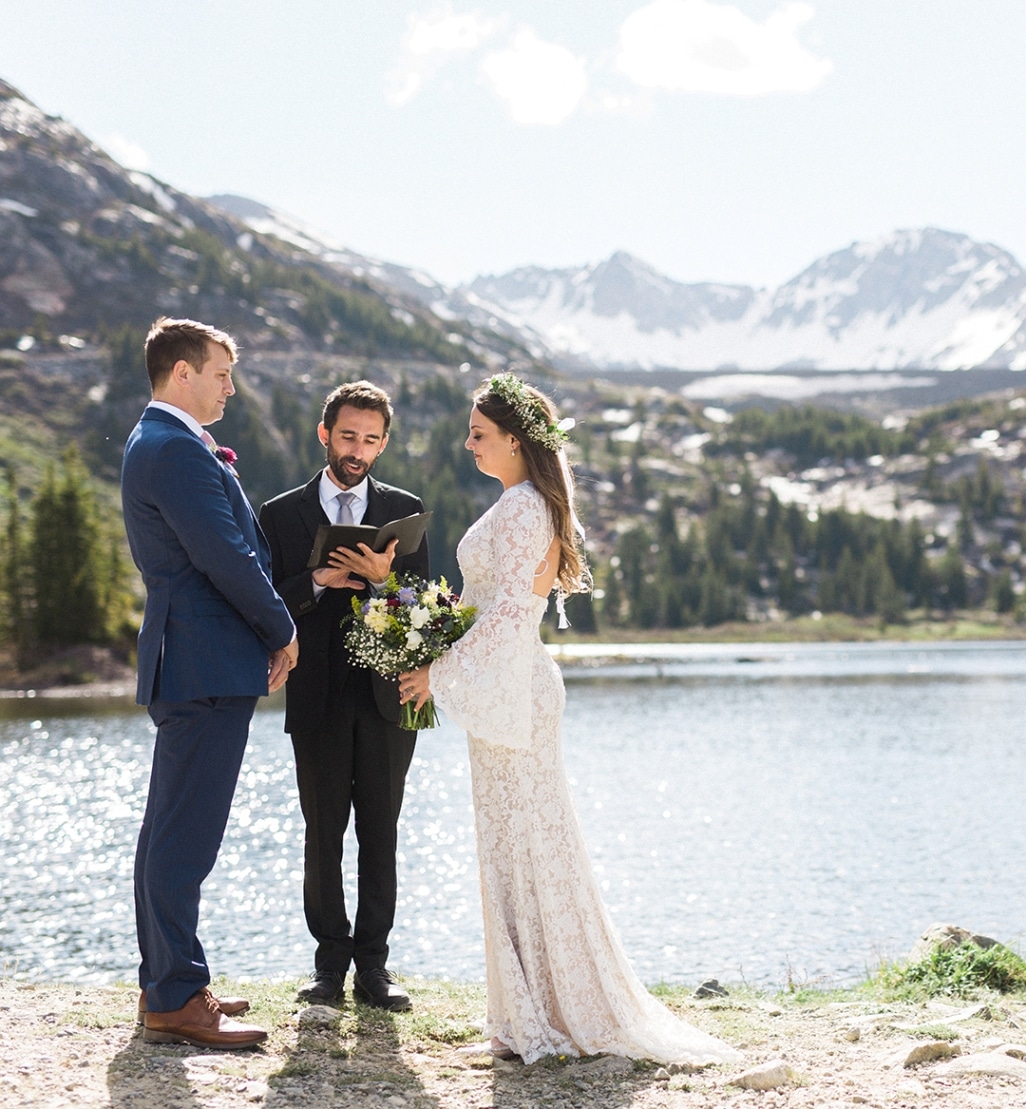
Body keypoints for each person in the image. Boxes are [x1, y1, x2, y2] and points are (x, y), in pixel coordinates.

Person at [399, 374, 740, 1065]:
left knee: (534, 849)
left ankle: (549, 1013)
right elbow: (483, 606)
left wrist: (438, 670)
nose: (468, 443)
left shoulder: (525, 509)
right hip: (506, 689)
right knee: (511, 847)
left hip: (516, 693)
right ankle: (521, 1012)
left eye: (479, 433)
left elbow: (511, 614)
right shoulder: (519, 502)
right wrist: (429, 635)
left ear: (516, 441)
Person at [121, 317, 298, 1050]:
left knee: (174, 828)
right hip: (201, 659)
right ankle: (173, 997)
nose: (231, 385)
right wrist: (283, 628)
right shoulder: (172, 448)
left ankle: (175, 982)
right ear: (183, 373)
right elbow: (225, 556)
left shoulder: (163, 443)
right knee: (183, 836)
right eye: (221, 373)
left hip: (196, 658)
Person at [259, 381, 428, 1010]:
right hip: (317, 697)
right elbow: (264, 601)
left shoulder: (406, 508)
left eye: (371, 439)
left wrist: (388, 582)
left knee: (381, 834)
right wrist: (317, 582)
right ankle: (328, 967)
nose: (358, 450)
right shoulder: (279, 513)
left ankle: (375, 972)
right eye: (348, 436)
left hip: (391, 700)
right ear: (325, 434)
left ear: (383, 444)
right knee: (322, 832)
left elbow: (425, 613)